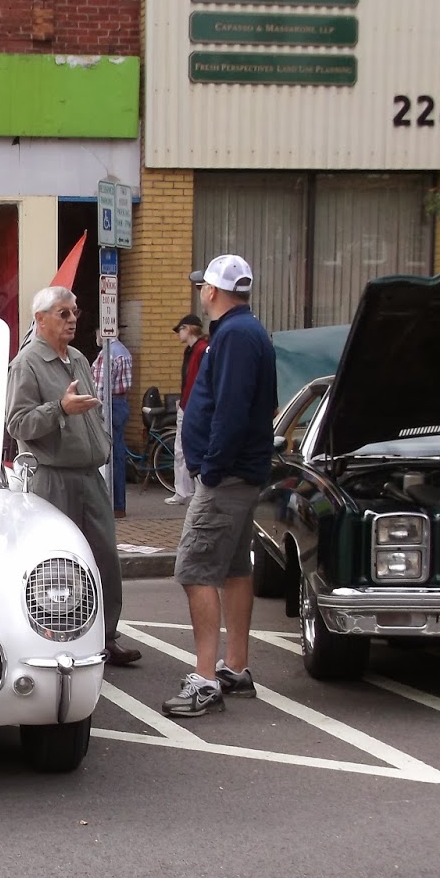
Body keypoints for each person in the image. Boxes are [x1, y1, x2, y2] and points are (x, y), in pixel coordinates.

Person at [162, 255, 277, 717]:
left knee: (194, 570)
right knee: (233, 569)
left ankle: (206, 679)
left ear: (212, 291)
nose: (199, 293)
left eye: (201, 287)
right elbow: (261, 403)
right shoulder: (251, 331)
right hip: (242, 473)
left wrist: (210, 468)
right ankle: (235, 666)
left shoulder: (231, 336)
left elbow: (229, 408)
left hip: (226, 477)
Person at [6, 287, 142, 668]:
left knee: (104, 558)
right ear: (41, 319)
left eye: (74, 312)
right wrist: (60, 409)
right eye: (63, 313)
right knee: (55, 561)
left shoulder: (79, 358)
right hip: (51, 477)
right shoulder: (27, 364)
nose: (72, 319)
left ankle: (106, 635)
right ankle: (53, 636)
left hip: (88, 473)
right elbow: (17, 422)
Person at [165, 314, 208, 506]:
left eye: (180, 329)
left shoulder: (200, 351)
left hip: (192, 406)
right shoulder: (193, 351)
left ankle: (187, 490)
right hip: (188, 404)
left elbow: (197, 380)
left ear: (188, 328)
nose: (178, 334)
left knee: (185, 448)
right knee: (183, 448)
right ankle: (184, 490)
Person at [92, 335, 133, 518]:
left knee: (109, 453)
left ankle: (112, 503)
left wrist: (96, 410)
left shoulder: (107, 354)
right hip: (122, 403)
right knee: (118, 454)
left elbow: (100, 387)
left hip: (110, 405)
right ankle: (119, 504)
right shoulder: (124, 351)